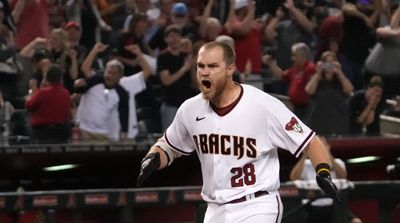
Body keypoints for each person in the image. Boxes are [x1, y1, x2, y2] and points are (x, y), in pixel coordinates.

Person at [137, 41, 338, 223]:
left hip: (258, 205)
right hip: (215, 209)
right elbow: (168, 146)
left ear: (230, 69)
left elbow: (310, 141)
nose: (204, 72)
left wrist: (322, 171)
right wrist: (154, 157)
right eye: (200, 66)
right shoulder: (190, 109)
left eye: (213, 66)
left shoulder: (263, 105)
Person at [290, 138, 347, 223]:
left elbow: (343, 176)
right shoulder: (306, 163)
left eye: (322, 146)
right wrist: (305, 155)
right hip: (310, 206)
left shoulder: (337, 162)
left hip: (332, 205)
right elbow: (293, 178)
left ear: (328, 146)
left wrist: (327, 155)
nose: (319, 149)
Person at [305, 51, 353, 136]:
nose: (329, 67)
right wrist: (318, 72)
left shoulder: (340, 80)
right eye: (326, 63)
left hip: (337, 121)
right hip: (318, 121)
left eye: (332, 63)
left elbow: (349, 90)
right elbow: (309, 90)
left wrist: (339, 72)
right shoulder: (316, 79)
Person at [263, 42, 316, 121]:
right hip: (296, 107)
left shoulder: (310, 68)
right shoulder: (295, 69)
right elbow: (281, 75)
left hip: (308, 107)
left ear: (303, 55)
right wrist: (271, 64)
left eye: (295, 55)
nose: (292, 58)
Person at [25, 64, 72, 144]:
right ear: (61, 78)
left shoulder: (43, 92)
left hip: (43, 133)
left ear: (47, 78)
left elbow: (29, 106)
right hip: (62, 133)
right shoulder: (66, 93)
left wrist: (30, 96)